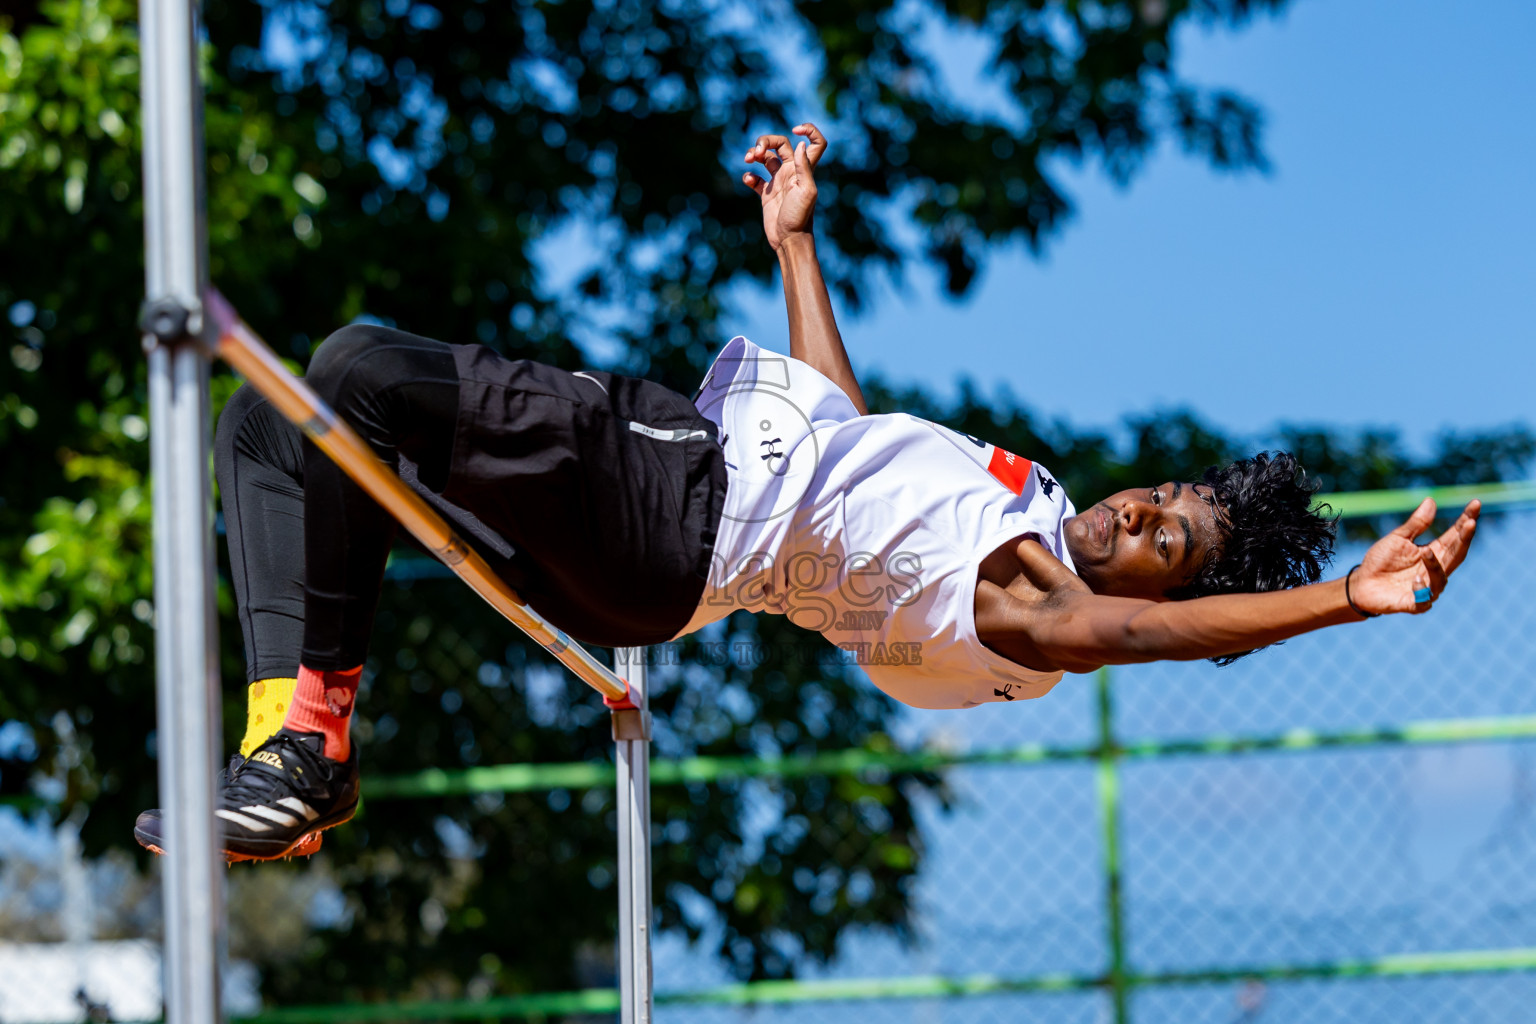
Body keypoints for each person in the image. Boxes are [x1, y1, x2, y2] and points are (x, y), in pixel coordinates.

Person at [135, 124, 1480, 861]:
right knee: (276, 428)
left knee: (355, 365)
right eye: (1159, 498)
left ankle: (314, 748)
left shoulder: (1032, 616)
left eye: (1164, 545)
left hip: (672, 495)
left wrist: (1343, 605)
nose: (1136, 515)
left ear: (1139, 596)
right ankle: (289, 752)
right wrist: (797, 250)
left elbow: (1131, 640)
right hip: (664, 555)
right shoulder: (1014, 520)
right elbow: (845, 431)